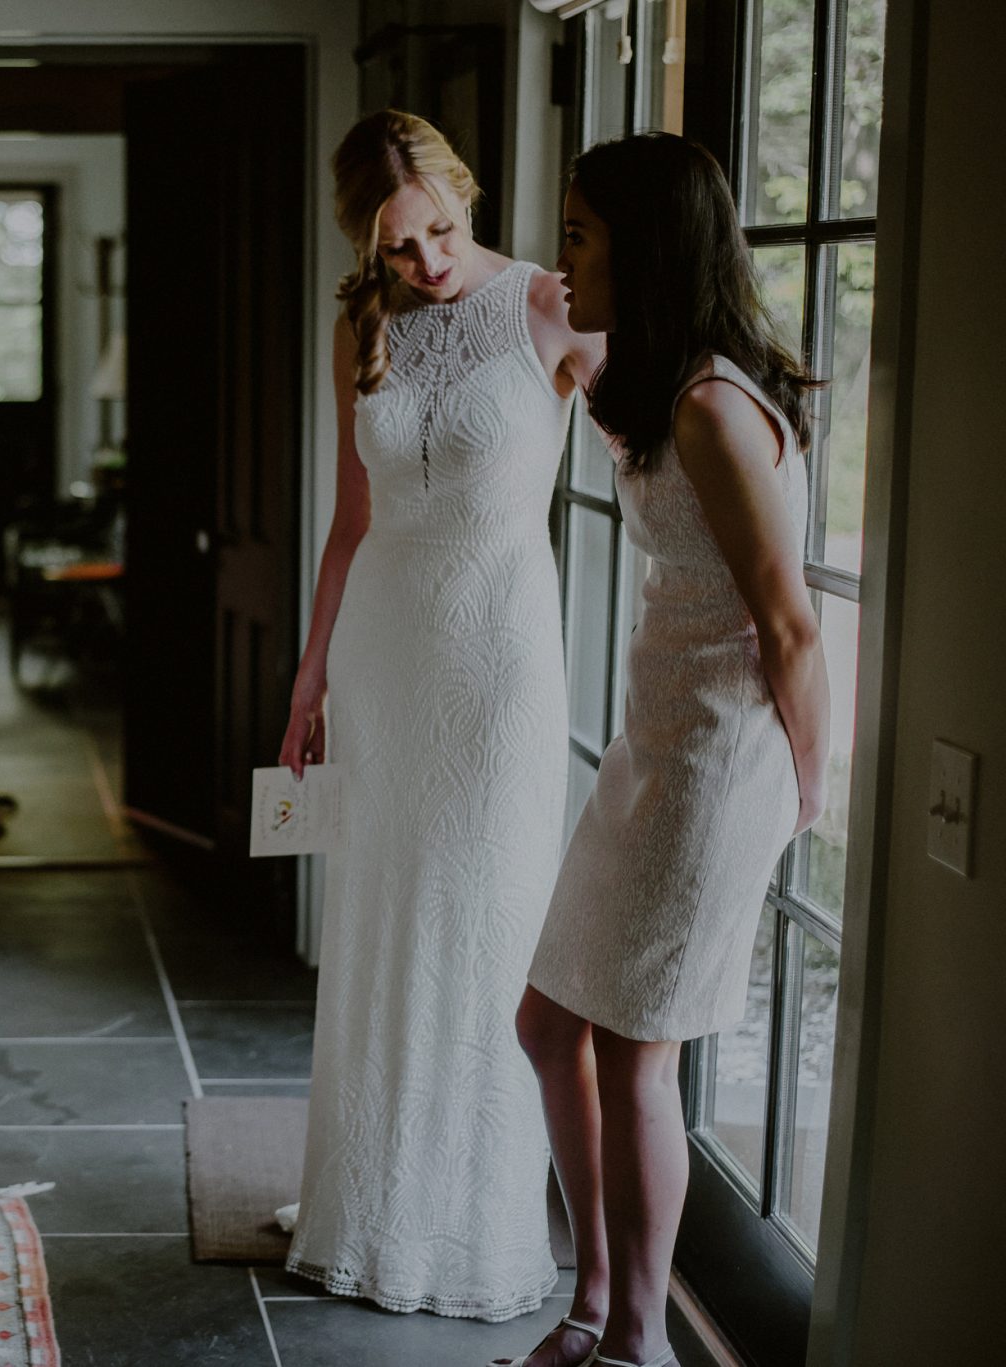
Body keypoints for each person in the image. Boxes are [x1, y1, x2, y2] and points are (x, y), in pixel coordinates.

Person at [502, 134, 828, 1367]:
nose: (561, 253)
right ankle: (592, 1297)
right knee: (546, 1024)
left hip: (712, 767)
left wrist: (803, 784)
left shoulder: (707, 407)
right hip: (651, 748)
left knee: (641, 1053)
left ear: (638, 249)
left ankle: (633, 1338)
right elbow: (541, 327)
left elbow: (789, 623)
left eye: (577, 232)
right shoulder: (658, 382)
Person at [275, 111, 602, 1320]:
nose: (426, 264)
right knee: (379, 917)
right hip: (382, 657)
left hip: (500, 663)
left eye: (440, 232)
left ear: (466, 198)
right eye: (398, 247)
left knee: (484, 925)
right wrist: (308, 675)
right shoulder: (359, 322)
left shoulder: (548, 305)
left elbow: (661, 446)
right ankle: (367, 1198)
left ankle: (469, 1221)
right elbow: (349, 522)